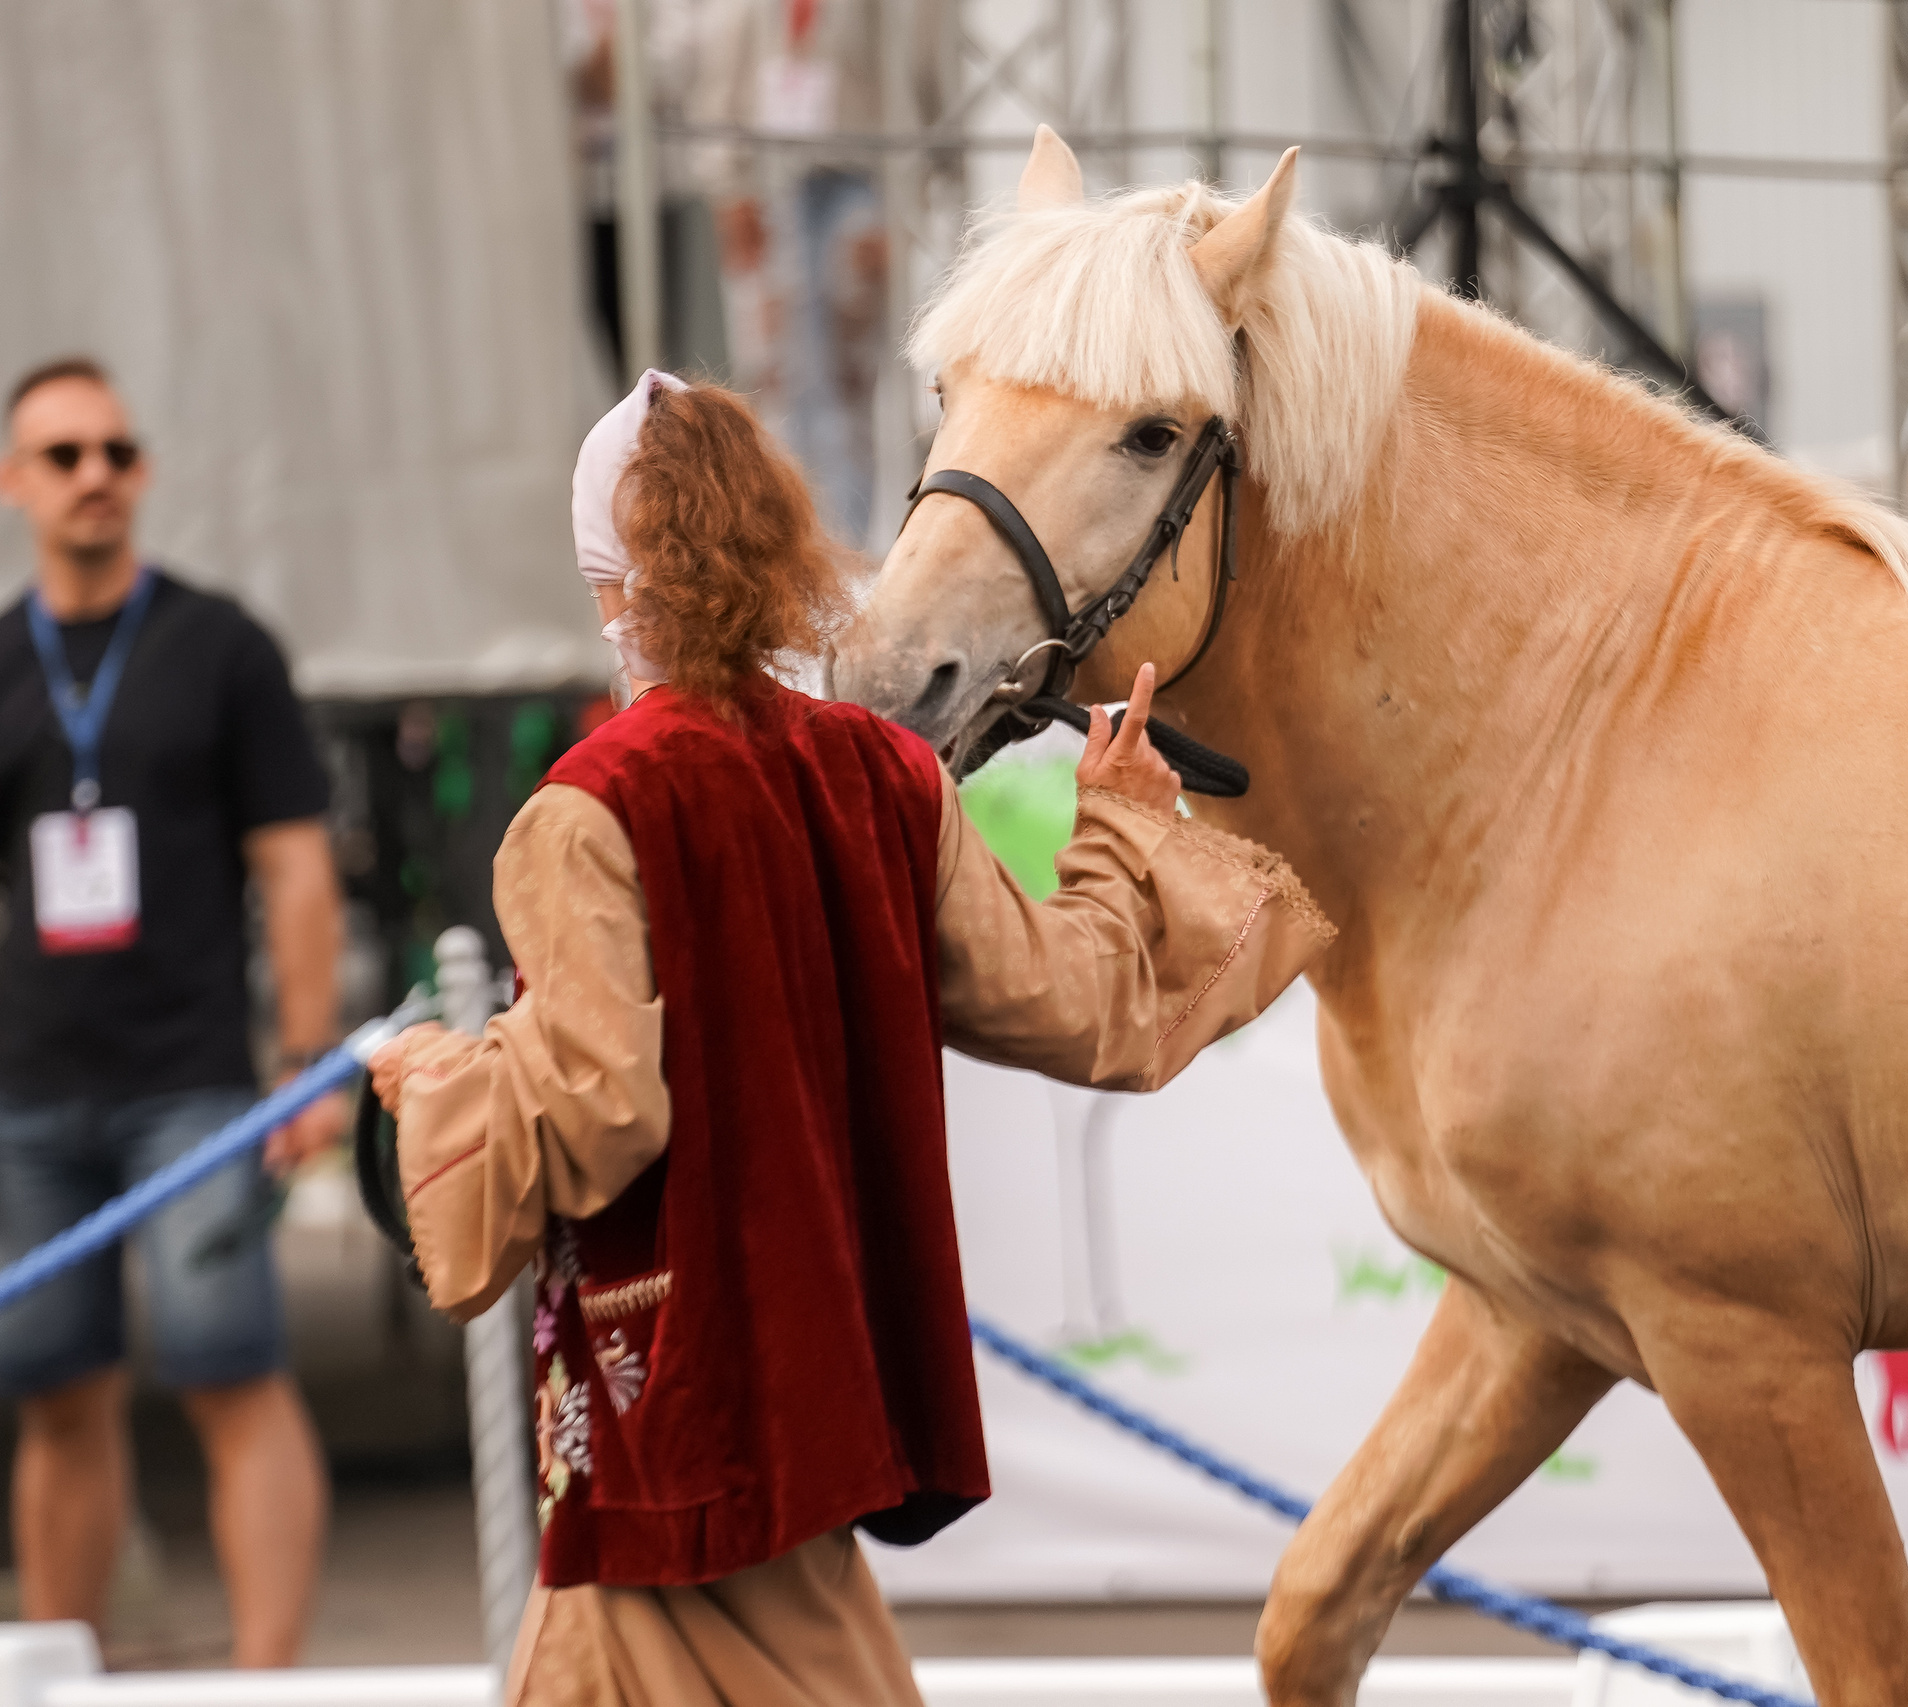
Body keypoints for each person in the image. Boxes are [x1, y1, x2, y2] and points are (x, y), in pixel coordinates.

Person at [366, 373, 1331, 1705]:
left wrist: (437, 1086)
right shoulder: (884, 776)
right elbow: (1072, 1002)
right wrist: (1117, 832)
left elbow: (599, 1109)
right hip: (826, 1375)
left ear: (607, 578)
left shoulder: (584, 813)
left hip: (682, 1405)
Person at [0, 357, 343, 1665]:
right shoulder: (4, 661)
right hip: (31, 1095)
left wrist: (307, 1063)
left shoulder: (220, 645)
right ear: (17, 483)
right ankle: (53, 1677)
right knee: (56, 1397)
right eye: (65, 455)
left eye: (116, 452)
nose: (96, 475)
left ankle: (267, 1683)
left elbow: (296, 859)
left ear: (139, 474)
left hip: (192, 1094)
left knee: (231, 1376)